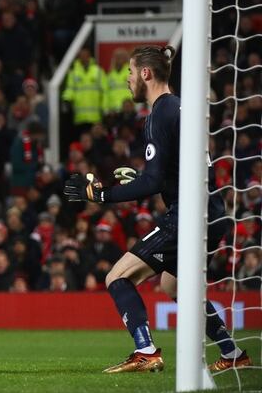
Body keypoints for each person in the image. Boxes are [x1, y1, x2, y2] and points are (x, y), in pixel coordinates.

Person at [64, 45, 251, 373]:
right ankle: (233, 353)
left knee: (117, 277)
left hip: (189, 215)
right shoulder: (178, 108)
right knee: (174, 286)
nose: (128, 80)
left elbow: (151, 184)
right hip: (213, 212)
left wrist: (101, 195)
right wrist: (140, 178)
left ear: (145, 74)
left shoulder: (160, 113)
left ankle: (145, 350)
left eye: (130, 73)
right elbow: (166, 174)